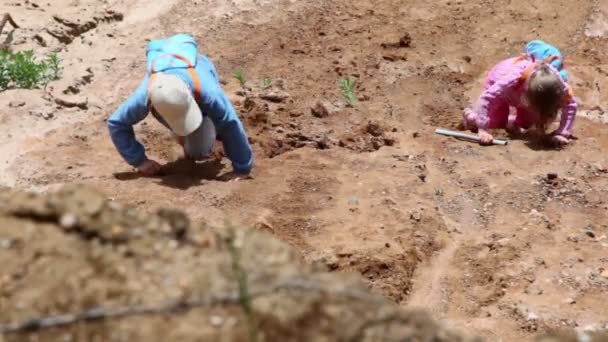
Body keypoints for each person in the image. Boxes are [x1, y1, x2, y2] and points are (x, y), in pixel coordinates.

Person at [107, 34, 253, 177]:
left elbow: (230, 123)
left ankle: (211, 128)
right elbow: (116, 123)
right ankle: (197, 131)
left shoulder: (208, 92)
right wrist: (139, 161)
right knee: (191, 139)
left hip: (199, 75)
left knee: (199, 152)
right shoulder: (144, 96)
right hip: (168, 98)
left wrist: (242, 168)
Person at [462, 51, 577, 146]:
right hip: (501, 87)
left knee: (525, 123)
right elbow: (487, 97)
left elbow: (571, 104)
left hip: (522, 95)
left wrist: (562, 133)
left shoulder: (558, 86)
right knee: (496, 122)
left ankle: (512, 122)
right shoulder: (511, 79)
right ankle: (471, 117)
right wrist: (483, 129)